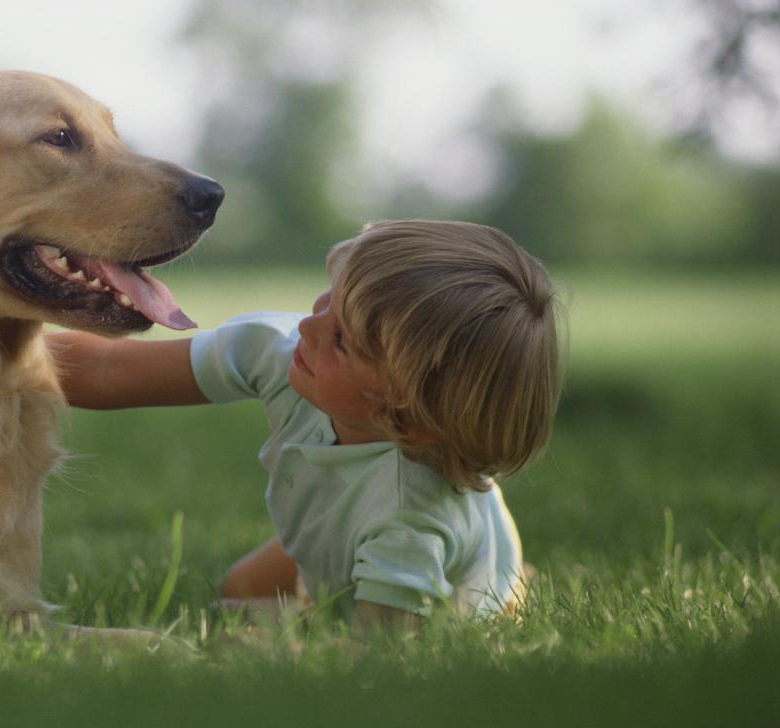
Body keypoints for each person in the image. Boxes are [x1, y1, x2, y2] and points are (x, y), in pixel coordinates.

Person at [48, 220, 563, 631]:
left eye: (341, 339)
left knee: (330, 619)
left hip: (450, 595)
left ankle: (506, 585)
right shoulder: (283, 350)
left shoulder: (408, 519)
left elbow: (381, 660)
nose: (307, 326)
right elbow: (105, 371)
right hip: (338, 521)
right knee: (239, 590)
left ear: (407, 414)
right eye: (327, 299)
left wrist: (255, 657)